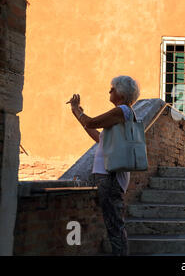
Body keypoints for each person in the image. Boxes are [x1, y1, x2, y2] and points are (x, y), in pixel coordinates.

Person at [66, 75, 141, 255]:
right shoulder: (122, 115)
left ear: (121, 94)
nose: (109, 91)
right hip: (110, 175)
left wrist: (78, 110)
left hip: (111, 176)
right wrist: (78, 114)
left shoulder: (122, 110)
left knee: (114, 225)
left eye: (113, 88)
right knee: (113, 224)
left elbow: (91, 122)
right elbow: (99, 138)